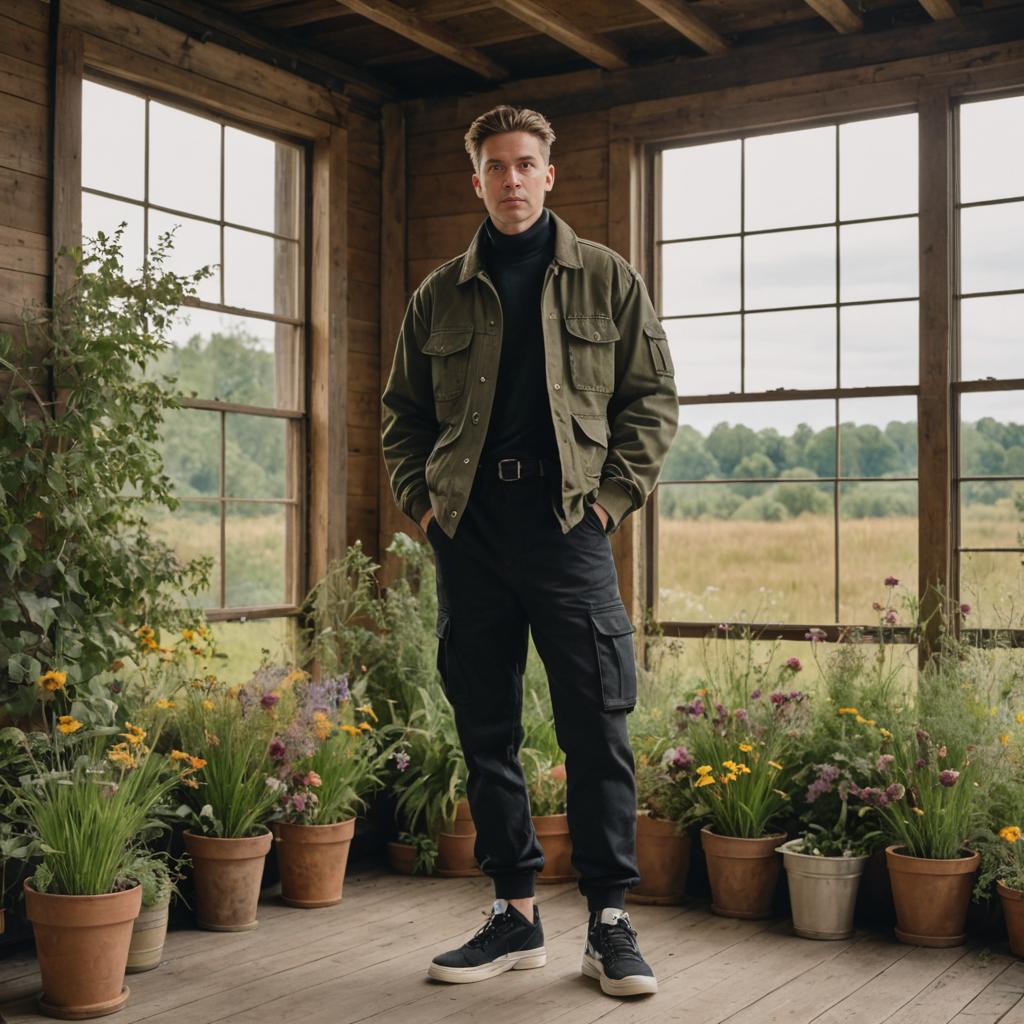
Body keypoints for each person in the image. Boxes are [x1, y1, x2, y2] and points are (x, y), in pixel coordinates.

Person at [380, 104, 678, 998]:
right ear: (476, 181)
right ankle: (515, 913)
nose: (511, 179)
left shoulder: (606, 280)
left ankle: (610, 923)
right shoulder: (439, 292)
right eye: (495, 167)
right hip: (470, 530)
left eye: (525, 164)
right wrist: (425, 509)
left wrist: (608, 507)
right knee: (486, 728)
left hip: (568, 529)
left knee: (597, 725)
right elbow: (403, 416)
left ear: (551, 175)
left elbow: (653, 403)